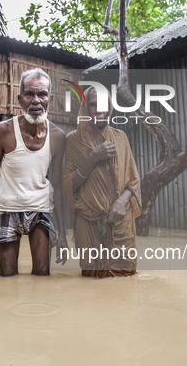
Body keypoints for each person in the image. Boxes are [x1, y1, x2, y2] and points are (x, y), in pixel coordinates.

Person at [0, 68, 68, 276]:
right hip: (7, 208)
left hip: (41, 209)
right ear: (20, 99)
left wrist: (62, 233)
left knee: (42, 276)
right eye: (29, 94)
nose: (36, 100)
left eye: (42, 94)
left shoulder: (58, 137)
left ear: (49, 99)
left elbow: (58, 185)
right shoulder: (4, 130)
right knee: (7, 277)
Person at [62, 86, 141, 278]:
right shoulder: (73, 140)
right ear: (85, 109)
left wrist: (122, 202)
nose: (98, 109)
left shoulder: (121, 138)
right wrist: (92, 158)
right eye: (93, 105)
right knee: (91, 279)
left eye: (103, 104)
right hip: (88, 223)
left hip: (120, 222)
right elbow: (68, 184)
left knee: (126, 278)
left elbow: (134, 180)